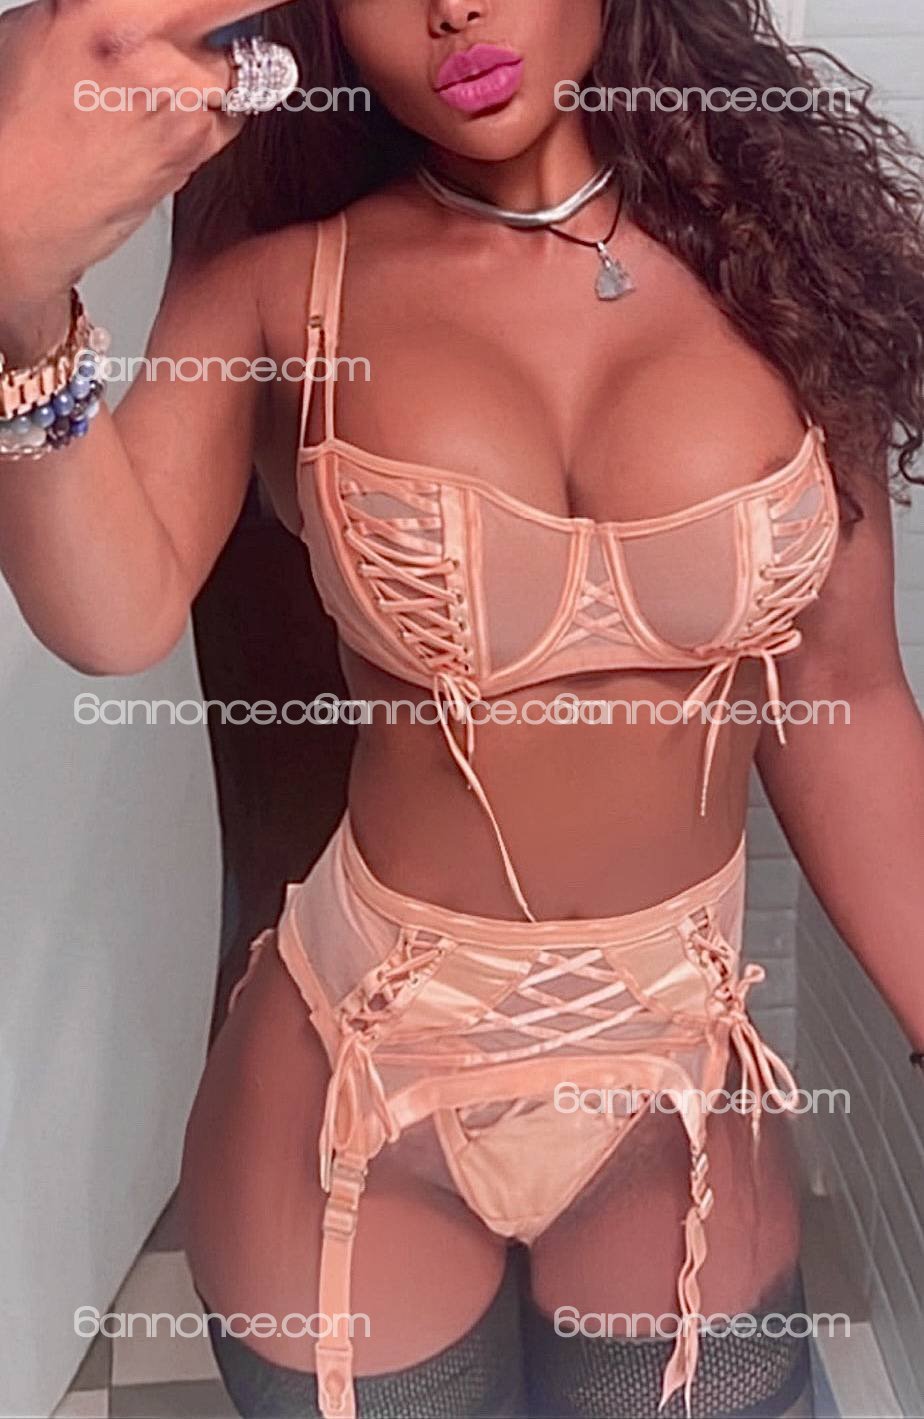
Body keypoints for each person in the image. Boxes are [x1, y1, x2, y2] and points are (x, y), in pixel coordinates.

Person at [1, 1, 922, 1416]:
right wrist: (21, 298)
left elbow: (843, 696)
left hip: (673, 1085)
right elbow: (113, 620)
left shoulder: (780, 268)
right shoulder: (281, 286)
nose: (455, 9)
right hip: (355, 1084)